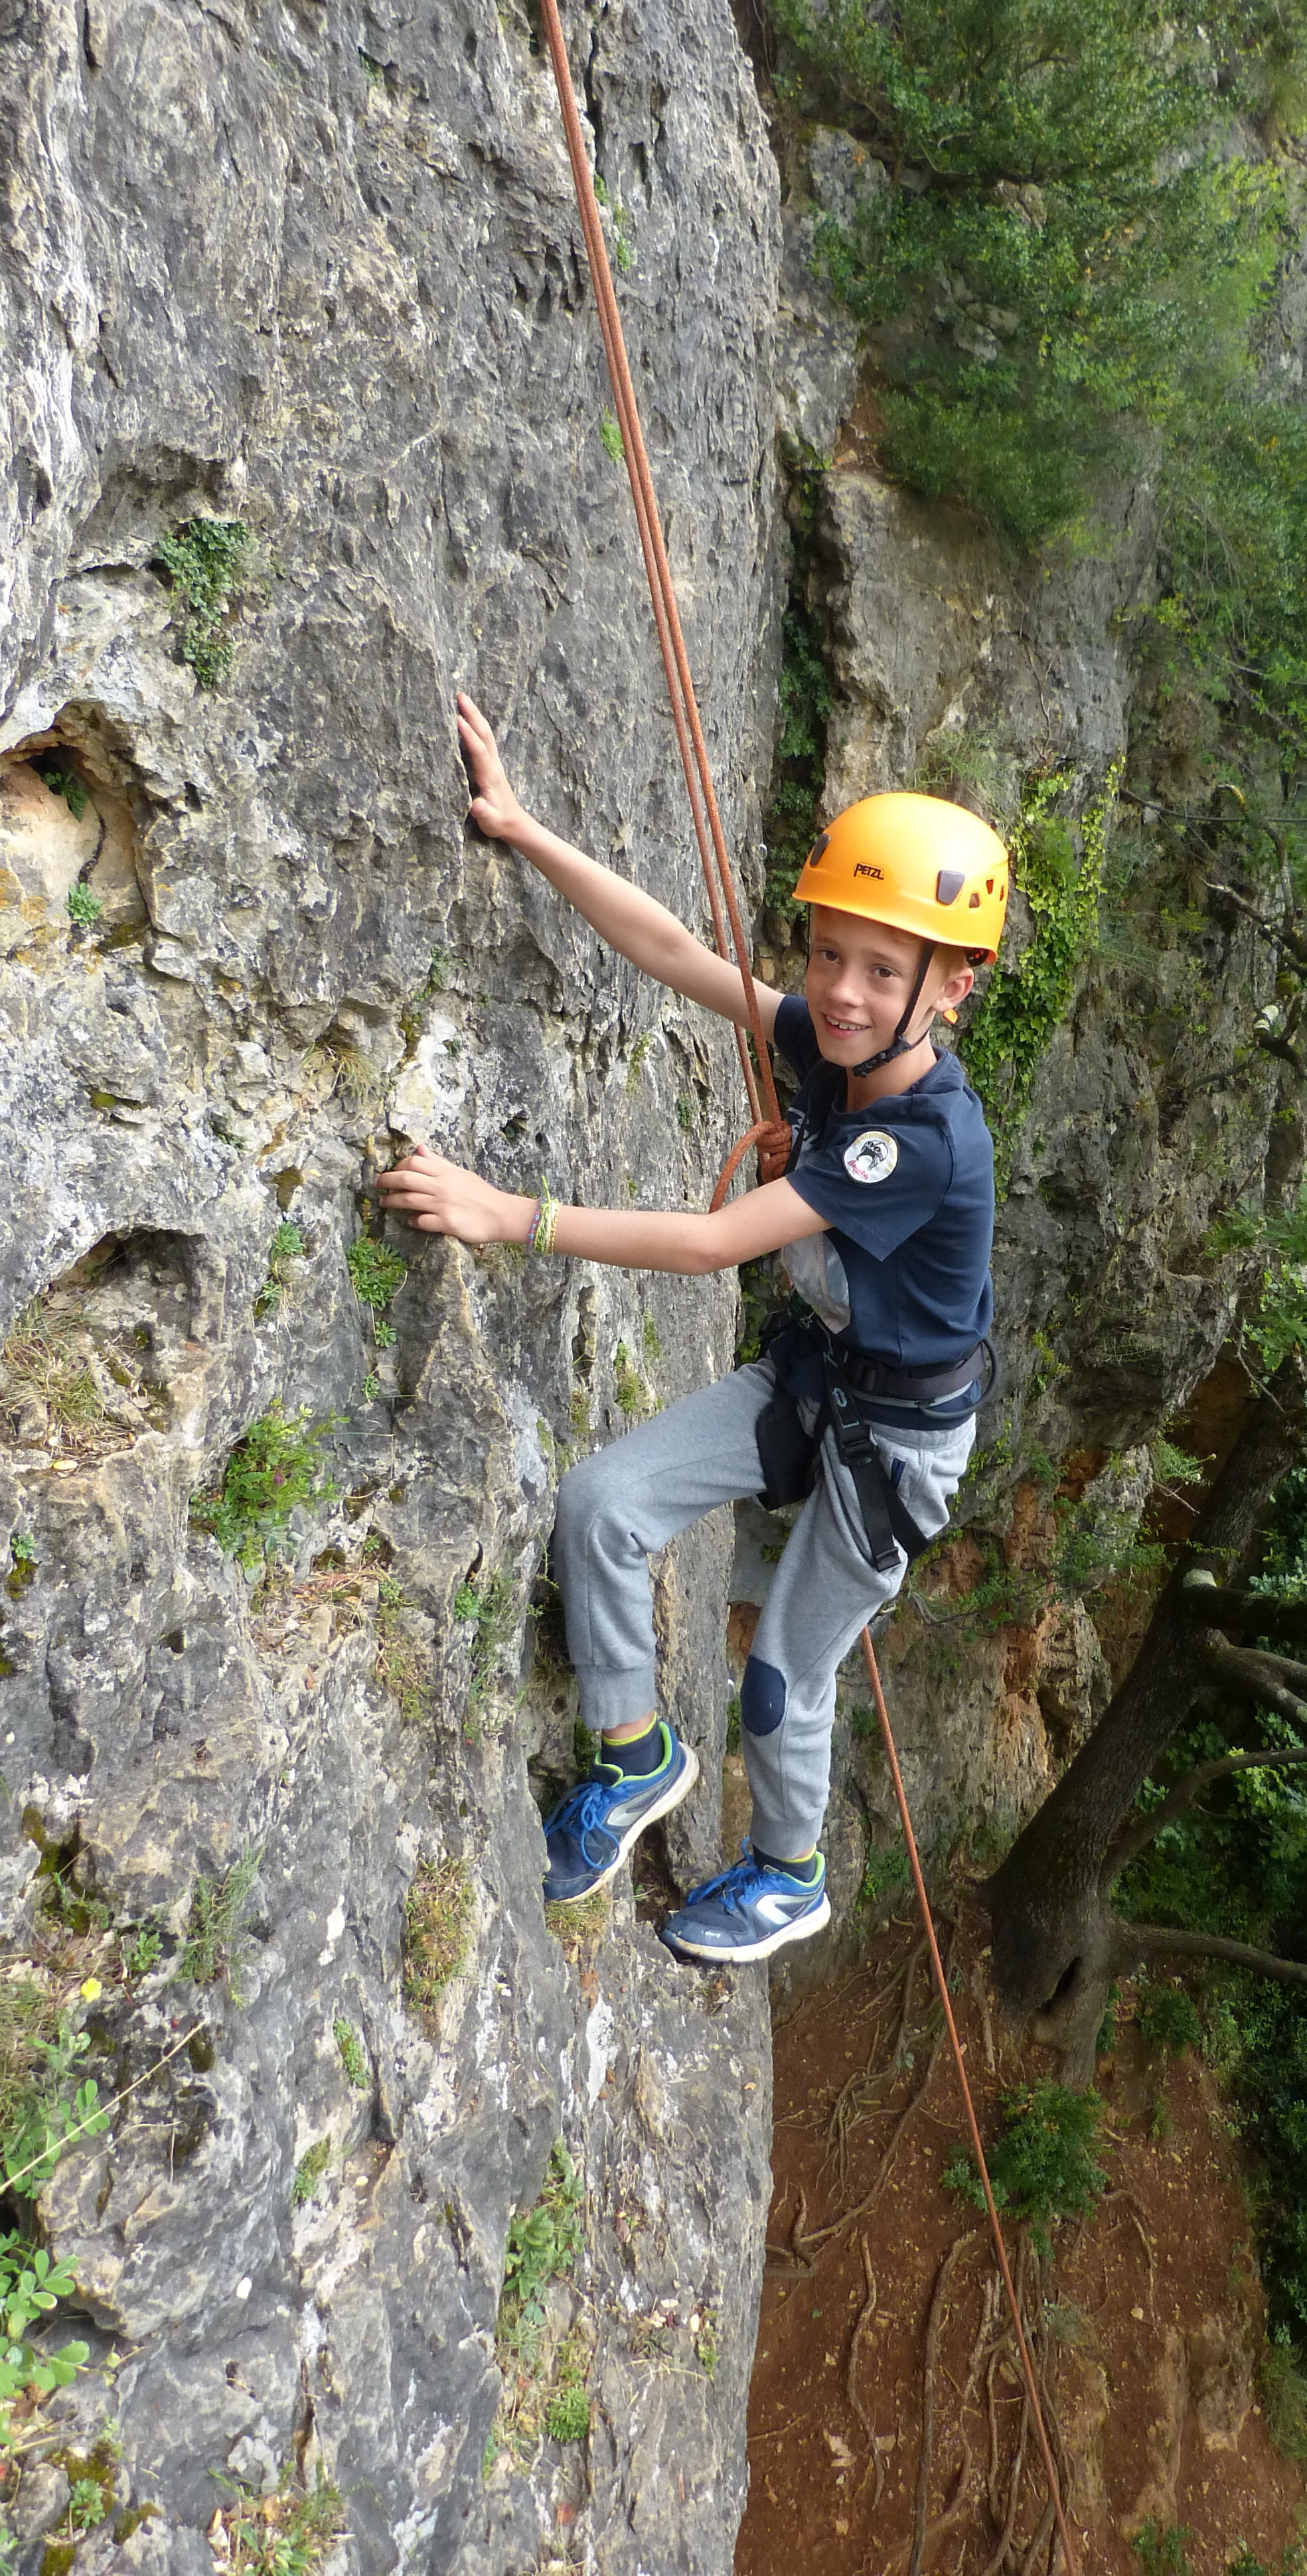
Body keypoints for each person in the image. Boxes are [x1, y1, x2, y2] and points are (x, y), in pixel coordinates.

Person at [376, 693, 1008, 1963]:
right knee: (603, 1505)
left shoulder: (922, 1138)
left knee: (781, 1677)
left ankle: (789, 1871)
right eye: (829, 952)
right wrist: (526, 829)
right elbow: (675, 952)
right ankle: (635, 1752)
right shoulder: (840, 1054)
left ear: (954, 986)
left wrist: (510, 1215)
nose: (839, 989)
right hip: (820, 1377)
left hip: (898, 1444)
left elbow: (718, 1244)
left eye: (884, 970)